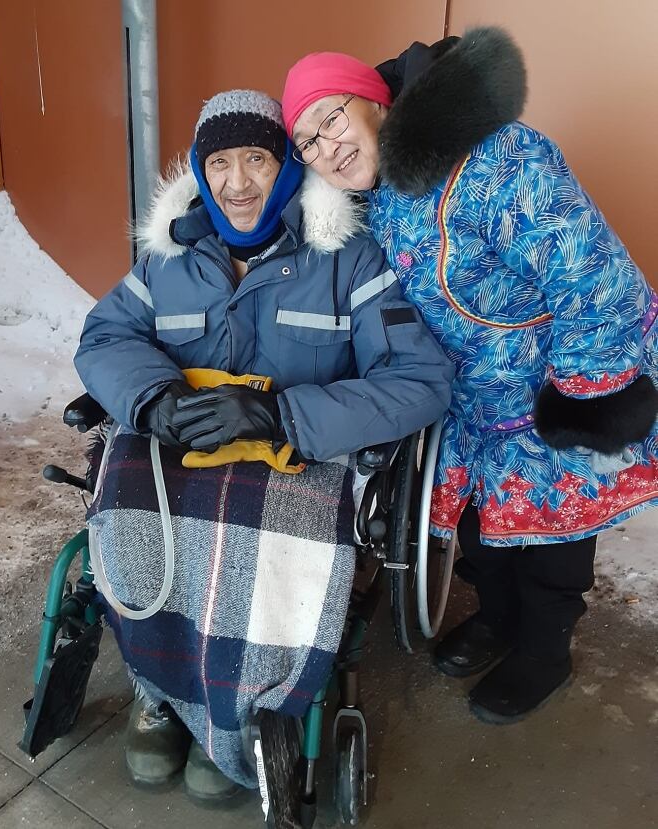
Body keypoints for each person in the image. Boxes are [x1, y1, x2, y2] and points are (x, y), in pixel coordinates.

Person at [75, 90, 452, 799]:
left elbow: (421, 380)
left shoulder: (346, 257)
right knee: (125, 504)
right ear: (199, 168)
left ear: (284, 166)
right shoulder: (168, 259)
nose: (238, 182)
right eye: (219, 162)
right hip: (183, 446)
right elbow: (105, 337)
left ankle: (242, 710)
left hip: (297, 457)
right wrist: (153, 395)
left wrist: (284, 415)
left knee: (269, 538)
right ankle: (158, 688)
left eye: (256, 158)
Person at [282, 27, 658, 724]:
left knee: (555, 533)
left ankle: (546, 650)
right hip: (469, 398)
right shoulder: (375, 196)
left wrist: (584, 399)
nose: (326, 144)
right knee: (485, 529)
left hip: (553, 382)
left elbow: (592, 280)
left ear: (375, 103)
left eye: (332, 114)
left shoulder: (499, 159)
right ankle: (497, 620)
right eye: (306, 139)